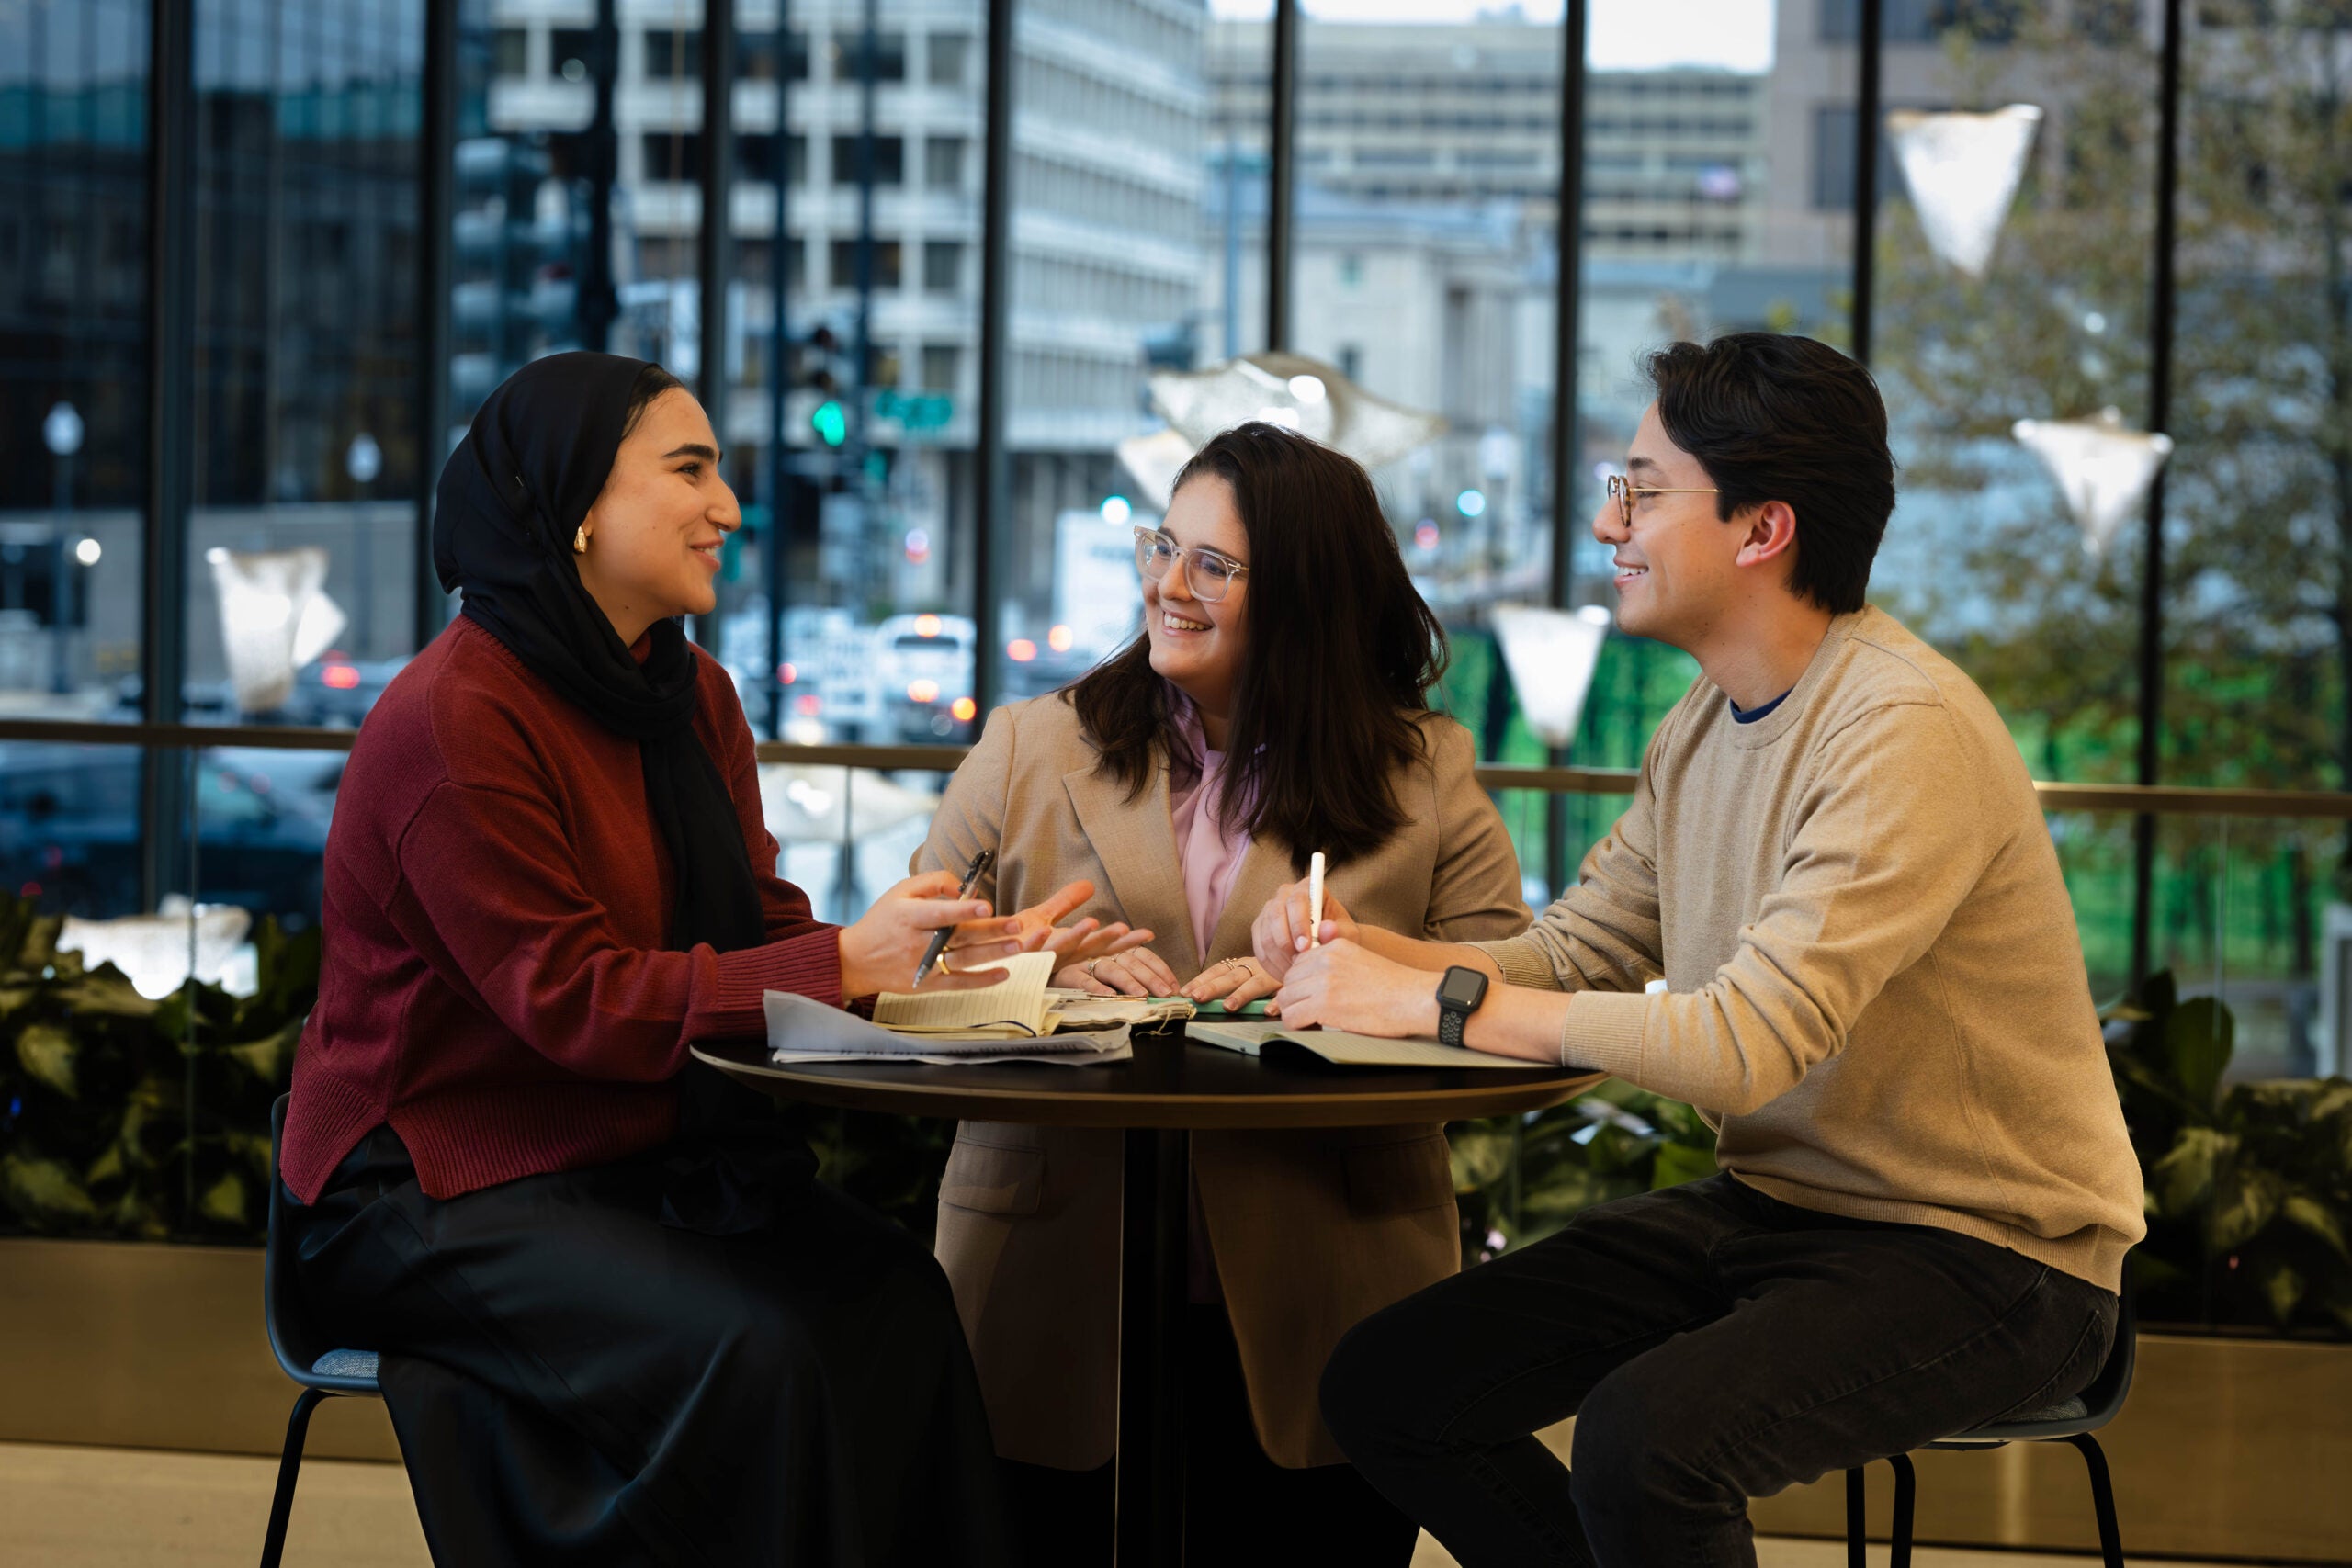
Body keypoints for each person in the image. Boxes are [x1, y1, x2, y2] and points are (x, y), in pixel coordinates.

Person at [1268, 333, 2147, 1568]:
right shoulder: (1702, 721)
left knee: (1648, 1439)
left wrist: (1438, 1003)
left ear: (1760, 528)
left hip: (1993, 1253)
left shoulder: (1903, 729)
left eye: (1641, 488)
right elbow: (1579, 948)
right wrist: (1369, 952)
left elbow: (1746, 1042)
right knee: (1390, 1382)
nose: (1606, 520)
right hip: (1783, 1208)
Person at [278, 352, 1145, 1568]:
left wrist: (963, 965)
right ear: (577, 505)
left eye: (722, 472)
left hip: (619, 1154)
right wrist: (841, 960)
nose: (730, 506)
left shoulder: (692, 698)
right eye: (690, 469)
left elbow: (760, 933)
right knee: (765, 1348)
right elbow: (575, 1000)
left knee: (898, 1293)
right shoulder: (454, 719)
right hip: (430, 1189)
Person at [912, 422, 1530, 1564]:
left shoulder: (1422, 767)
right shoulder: (1029, 746)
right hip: (1051, 1277)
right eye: (1164, 547)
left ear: (1305, 596)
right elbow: (908, 963)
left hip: (1333, 1279)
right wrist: (1035, 968)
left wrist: (1356, 967)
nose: (1167, 584)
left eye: (1213, 564)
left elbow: (1515, 973)